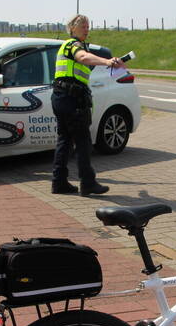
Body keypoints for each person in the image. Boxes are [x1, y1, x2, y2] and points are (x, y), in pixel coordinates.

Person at [51, 14, 123, 195]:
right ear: (73, 28)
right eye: (83, 26)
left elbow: (85, 61)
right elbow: (83, 57)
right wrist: (107, 61)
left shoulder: (69, 46)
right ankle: (87, 183)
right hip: (72, 99)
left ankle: (59, 182)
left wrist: (108, 63)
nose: (87, 29)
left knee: (65, 141)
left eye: (88, 26)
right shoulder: (72, 45)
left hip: (62, 97)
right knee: (83, 141)